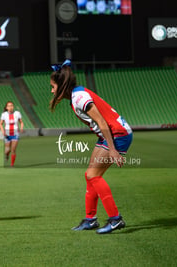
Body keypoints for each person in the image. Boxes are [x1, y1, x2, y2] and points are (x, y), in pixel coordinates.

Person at [49, 59, 133, 234]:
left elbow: (102, 121)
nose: (51, 90)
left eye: (53, 86)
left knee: (93, 175)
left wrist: (112, 149)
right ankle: (90, 219)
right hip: (109, 134)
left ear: (61, 85)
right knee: (90, 175)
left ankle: (115, 219)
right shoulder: (75, 96)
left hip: (117, 134)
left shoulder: (79, 98)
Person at [0, 101, 24, 167]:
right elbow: (0, 124)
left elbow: (21, 122)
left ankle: (12, 164)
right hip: (7, 134)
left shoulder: (17, 113)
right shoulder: (4, 114)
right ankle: (7, 155)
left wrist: (21, 128)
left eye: (12, 105)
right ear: (7, 107)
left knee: (13, 149)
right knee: (7, 150)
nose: (10, 107)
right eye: (9, 106)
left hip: (15, 134)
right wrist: (3, 132)